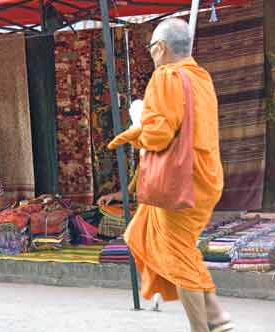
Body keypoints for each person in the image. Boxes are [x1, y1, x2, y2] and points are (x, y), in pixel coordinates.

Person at [100, 18, 233, 332]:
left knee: (181, 256)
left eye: (151, 48)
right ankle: (215, 316)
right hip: (206, 178)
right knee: (140, 231)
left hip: (181, 184)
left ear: (160, 48)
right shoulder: (201, 77)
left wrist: (137, 136)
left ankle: (207, 326)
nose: (151, 54)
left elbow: (159, 136)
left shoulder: (166, 76)